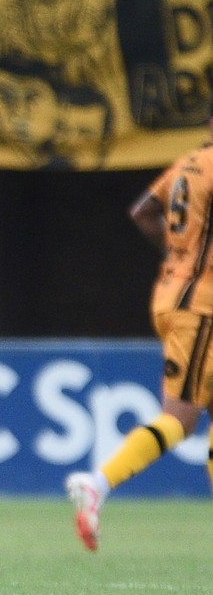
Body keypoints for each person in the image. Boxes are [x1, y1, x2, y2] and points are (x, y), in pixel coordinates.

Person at [67, 110, 213, 550]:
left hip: (175, 294)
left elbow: (143, 212)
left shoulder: (190, 163)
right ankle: (97, 483)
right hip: (201, 304)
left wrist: (177, 256)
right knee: (180, 418)